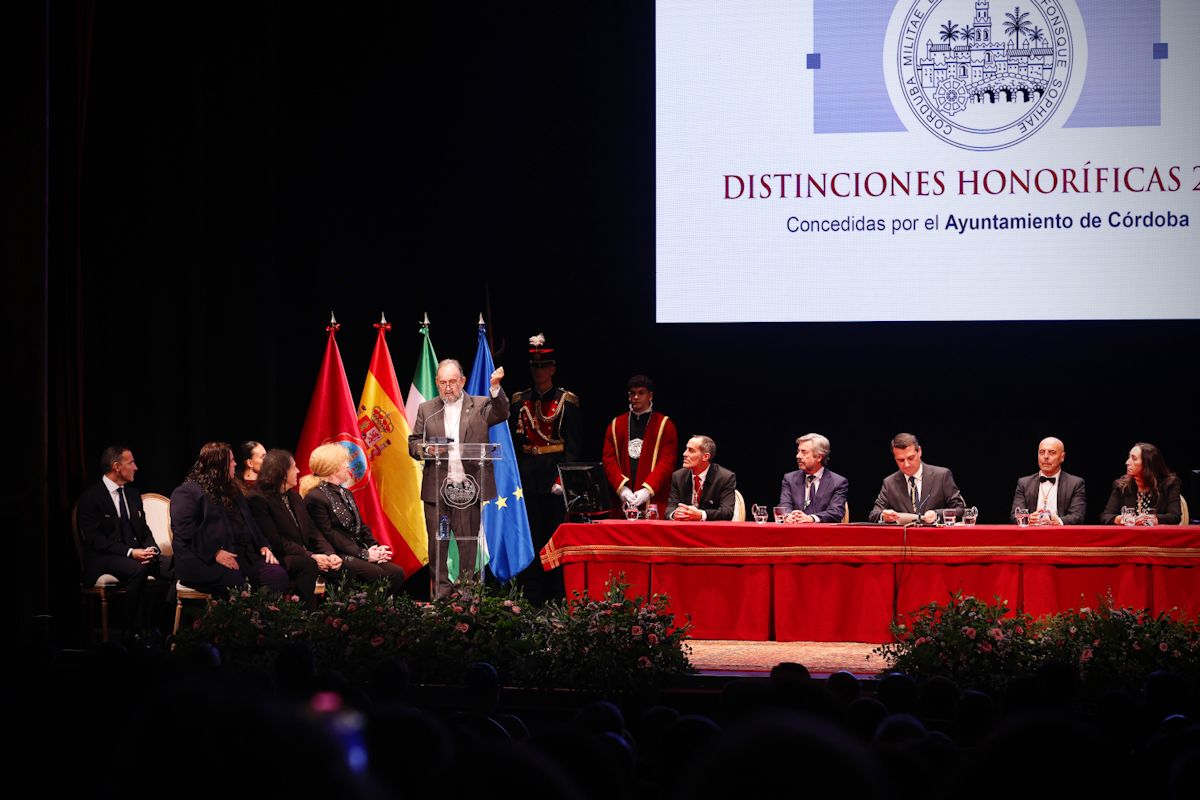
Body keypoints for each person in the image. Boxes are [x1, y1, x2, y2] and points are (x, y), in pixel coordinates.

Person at [408, 358, 508, 598]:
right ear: (436, 383)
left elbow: (502, 412)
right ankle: (441, 593)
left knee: (466, 543)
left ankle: (467, 593)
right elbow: (414, 443)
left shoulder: (481, 405)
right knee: (439, 542)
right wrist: (428, 450)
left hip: (467, 489)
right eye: (443, 383)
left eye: (453, 382)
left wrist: (495, 387)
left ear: (462, 381)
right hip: (438, 492)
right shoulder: (427, 409)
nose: (448, 387)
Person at [509, 334, 580, 602]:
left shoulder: (567, 401)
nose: (538, 371)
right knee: (530, 535)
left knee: (554, 535)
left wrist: (563, 479)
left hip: (553, 475)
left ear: (552, 368)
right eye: (534, 366)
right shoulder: (519, 400)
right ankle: (532, 593)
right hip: (527, 475)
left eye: (543, 366)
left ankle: (557, 593)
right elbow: (516, 445)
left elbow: (573, 446)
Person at [170, 441, 289, 595]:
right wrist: (215, 552)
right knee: (235, 583)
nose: (235, 464)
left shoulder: (233, 489)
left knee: (277, 576)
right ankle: (238, 619)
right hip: (205, 558)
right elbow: (185, 530)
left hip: (242, 554)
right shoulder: (187, 492)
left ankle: (262, 618)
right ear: (219, 465)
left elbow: (250, 522)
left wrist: (263, 546)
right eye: (231, 461)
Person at [75, 445, 172, 635]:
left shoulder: (133, 494)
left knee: (178, 566)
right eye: (131, 463)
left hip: (136, 554)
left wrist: (152, 549)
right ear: (116, 466)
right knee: (138, 569)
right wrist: (130, 553)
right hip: (105, 557)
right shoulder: (91, 498)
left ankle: (166, 629)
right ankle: (131, 633)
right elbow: (95, 540)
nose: (136, 467)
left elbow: (144, 531)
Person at [301, 443, 406, 594]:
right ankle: (359, 611)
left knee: (396, 573)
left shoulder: (345, 493)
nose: (348, 467)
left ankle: (376, 611)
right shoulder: (315, 497)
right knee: (377, 575)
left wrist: (374, 547)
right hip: (336, 553)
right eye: (344, 463)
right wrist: (364, 554)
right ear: (334, 468)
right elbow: (329, 535)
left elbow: (361, 525)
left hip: (355, 550)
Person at [248, 449, 341, 608]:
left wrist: (329, 553)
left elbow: (313, 531)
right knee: (307, 564)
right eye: (294, 467)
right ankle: (305, 617)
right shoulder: (258, 498)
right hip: (279, 555)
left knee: (339, 565)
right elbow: (275, 541)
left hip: (303, 553)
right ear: (283, 473)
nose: (298, 471)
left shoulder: (294, 496)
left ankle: (335, 618)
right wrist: (311, 556)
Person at [602, 375, 678, 519]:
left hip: (654, 498)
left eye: (641, 393)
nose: (636, 397)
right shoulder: (616, 424)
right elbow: (608, 460)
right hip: (623, 498)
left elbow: (667, 462)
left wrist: (647, 490)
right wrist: (622, 489)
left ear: (650, 396)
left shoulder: (665, 425)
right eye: (632, 393)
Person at [868, 433, 965, 524]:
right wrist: (883, 516)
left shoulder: (942, 476)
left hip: (935, 538)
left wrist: (936, 514)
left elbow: (960, 510)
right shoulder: (889, 482)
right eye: (900, 460)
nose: (906, 464)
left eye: (910, 458)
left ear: (919, 451)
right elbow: (874, 515)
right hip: (904, 540)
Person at [1099, 442, 1183, 525]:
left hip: (1158, 536)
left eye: (1134, 458)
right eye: (1129, 457)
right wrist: (1121, 519)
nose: (1127, 462)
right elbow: (1106, 516)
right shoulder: (1121, 486)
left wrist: (1155, 519)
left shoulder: (1169, 484)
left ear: (1148, 464)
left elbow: (1175, 516)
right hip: (1130, 536)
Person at [1010, 437, 1087, 525]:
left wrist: (1059, 521)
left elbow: (1078, 515)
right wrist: (1027, 518)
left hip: (1061, 535)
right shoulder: (1024, 483)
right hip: (1031, 535)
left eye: (1052, 452)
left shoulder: (1075, 483)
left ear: (1062, 457)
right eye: (1042, 452)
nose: (1046, 456)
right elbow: (1015, 515)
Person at [778, 433, 849, 524]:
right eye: (798, 451)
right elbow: (784, 505)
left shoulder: (838, 482)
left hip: (822, 535)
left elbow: (836, 512)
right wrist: (788, 516)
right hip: (794, 532)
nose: (798, 456)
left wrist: (811, 518)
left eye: (804, 452)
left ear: (819, 457)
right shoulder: (789, 479)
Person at [665, 436, 737, 521]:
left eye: (691, 450)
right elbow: (670, 507)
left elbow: (727, 512)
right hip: (684, 528)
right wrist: (674, 514)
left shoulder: (725, 477)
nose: (684, 454)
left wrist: (701, 515)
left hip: (711, 530)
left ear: (705, 457)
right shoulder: (678, 476)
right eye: (686, 449)